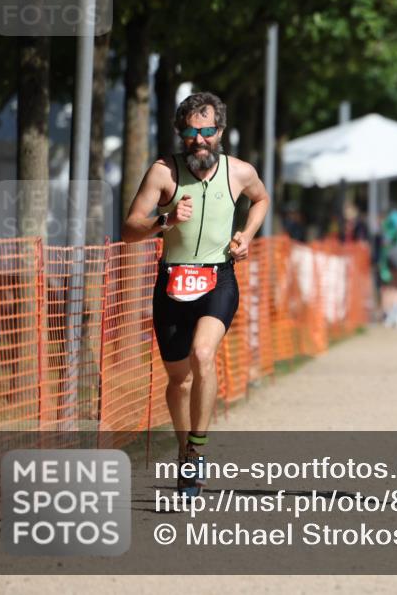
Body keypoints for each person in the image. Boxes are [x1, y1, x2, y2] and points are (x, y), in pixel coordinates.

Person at [122, 92, 269, 497]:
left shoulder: (238, 172)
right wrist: (164, 220)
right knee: (178, 381)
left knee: (203, 354)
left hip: (218, 279)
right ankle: (185, 453)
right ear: (180, 132)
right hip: (172, 282)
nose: (199, 140)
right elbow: (130, 229)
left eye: (207, 131)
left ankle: (198, 451)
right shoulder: (162, 173)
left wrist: (247, 235)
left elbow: (261, 199)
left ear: (220, 132)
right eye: (191, 131)